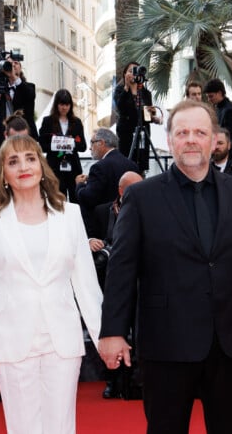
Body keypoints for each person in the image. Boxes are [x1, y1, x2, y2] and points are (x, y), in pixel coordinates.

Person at [98, 100, 232, 434]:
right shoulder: (141, 197)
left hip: (229, 341)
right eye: (183, 132)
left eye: (199, 132)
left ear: (214, 139)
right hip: (166, 341)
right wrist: (113, 331)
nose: (191, 139)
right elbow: (121, 269)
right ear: (170, 139)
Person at [0, 134, 102, 434]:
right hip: (12, 340)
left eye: (30, 158)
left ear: (41, 166)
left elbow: (86, 283)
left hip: (61, 340)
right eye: (13, 161)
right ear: (3, 174)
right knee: (22, 427)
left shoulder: (70, 215)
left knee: (61, 426)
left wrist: (106, 337)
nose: (23, 166)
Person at [87, 170, 143, 400]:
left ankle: (136, 380)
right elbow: (84, 235)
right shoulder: (102, 211)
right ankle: (112, 380)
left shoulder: (151, 209)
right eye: (133, 188)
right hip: (109, 281)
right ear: (121, 191)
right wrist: (90, 241)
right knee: (110, 331)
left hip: (142, 282)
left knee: (139, 334)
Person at [75, 128, 140, 232]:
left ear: (101, 143)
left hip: (103, 227)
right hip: (128, 223)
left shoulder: (99, 167)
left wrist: (80, 185)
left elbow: (88, 197)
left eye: (92, 143)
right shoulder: (132, 165)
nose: (90, 148)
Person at [39, 89, 87, 202]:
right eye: (61, 104)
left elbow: (83, 146)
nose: (64, 108)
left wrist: (72, 143)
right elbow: (42, 144)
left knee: (76, 200)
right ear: (56, 105)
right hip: (55, 167)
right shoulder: (48, 121)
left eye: (67, 104)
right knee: (57, 200)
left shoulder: (77, 122)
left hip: (73, 167)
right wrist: (57, 144)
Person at [113, 62, 159, 171]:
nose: (133, 74)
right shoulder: (120, 90)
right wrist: (127, 87)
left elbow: (146, 116)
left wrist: (152, 114)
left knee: (141, 165)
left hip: (143, 133)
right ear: (124, 74)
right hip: (127, 133)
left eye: (136, 70)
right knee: (126, 164)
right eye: (130, 71)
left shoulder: (146, 93)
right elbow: (120, 108)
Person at [0, 111, 30, 205]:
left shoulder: (33, 158)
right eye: (14, 138)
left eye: (23, 139)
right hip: (2, 207)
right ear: (6, 135)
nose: (19, 142)